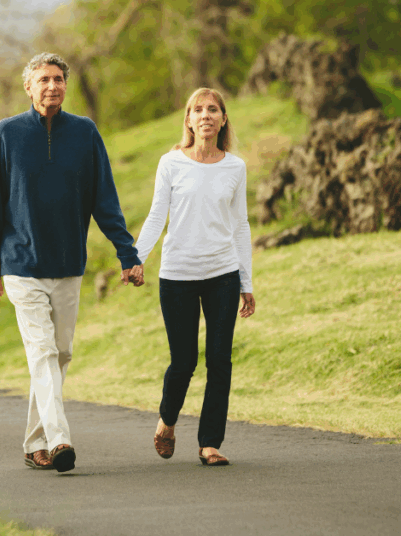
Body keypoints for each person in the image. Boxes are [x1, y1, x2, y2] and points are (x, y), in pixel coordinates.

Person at [0, 52, 144, 473]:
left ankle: (35, 441)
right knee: (42, 351)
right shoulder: (7, 133)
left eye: (58, 79)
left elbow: (104, 199)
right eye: (43, 79)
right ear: (28, 87)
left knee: (60, 354)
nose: (52, 86)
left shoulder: (84, 133)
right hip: (21, 265)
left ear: (65, 86)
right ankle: (59, 439)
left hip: (69, 264)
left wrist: (127, 252)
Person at [129, 87, 256, 467]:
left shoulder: (235, 167)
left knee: (220, 360)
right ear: (188, 120)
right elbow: (156, 215)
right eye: (197, 109)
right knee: (183, 361)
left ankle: (210, 443)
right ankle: (167, 421)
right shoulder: (171, 163)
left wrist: (246, 281)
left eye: (212, 109)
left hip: (222, 274)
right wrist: (136, 259)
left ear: (222, 119)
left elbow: (241, 225)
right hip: (178, 274)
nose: (205, 115)